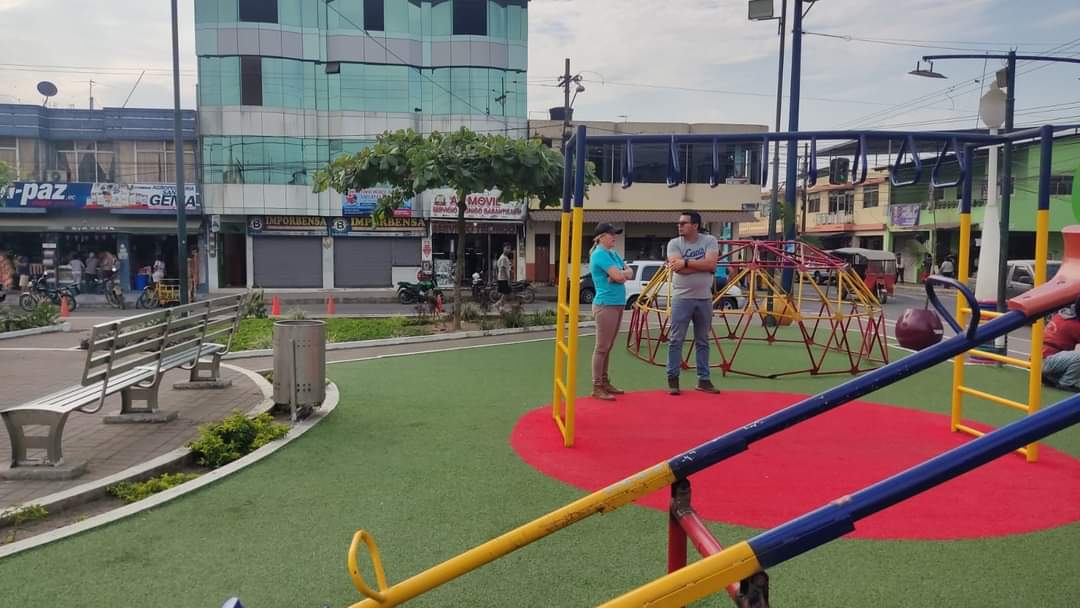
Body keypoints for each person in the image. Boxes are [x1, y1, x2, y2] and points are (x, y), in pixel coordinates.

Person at [665, 211, 721, 395]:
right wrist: (700, 265)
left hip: (704, 298)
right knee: (676, 339)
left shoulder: (710, 240)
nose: (679, 226)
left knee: (703, 340)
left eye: (684, 223)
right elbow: (677, 269)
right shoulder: (674, 243)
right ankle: (673, 379)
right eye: (679, 223)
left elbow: (711, 265)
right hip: (682, 298)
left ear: (695, 225)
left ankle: (704, 380)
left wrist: (686, 263)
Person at [589, 223, 633, 401]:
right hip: (605, 304)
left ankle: (604, 382)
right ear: (601, 237)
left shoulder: (613, 254)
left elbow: (629, 272)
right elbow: (620, 276)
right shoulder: (599, 254)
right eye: (611, 234)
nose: (614, 237)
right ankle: (597, 385)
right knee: (602, 347)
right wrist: (620, 275)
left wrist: (620, 275)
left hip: (617, 303)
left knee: (608, 346)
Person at [1041, 303, 1080, 391]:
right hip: (1048, 360)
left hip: (1040, 361)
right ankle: (1067, 383)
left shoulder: (1061, 315)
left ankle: (1051, 377)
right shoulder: (1074, 324)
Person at [495, 243, 513, 310]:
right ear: (503, 248)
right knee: (507, 293)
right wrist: (508, 280)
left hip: (501, 278)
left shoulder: (504, 257)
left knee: (505, 294)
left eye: (509, 248)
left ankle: (501, 307)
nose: (508, 250)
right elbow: (503, 269)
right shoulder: (503, 258)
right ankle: (498, 304)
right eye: (507, 248)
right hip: (503, 279)